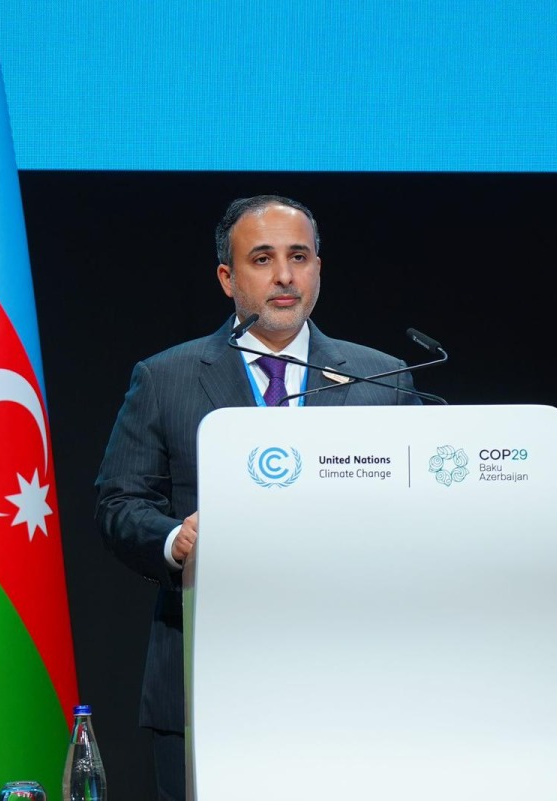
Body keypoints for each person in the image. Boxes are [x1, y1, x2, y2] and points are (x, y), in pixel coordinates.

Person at [94, 194, 420, 800]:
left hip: (348, 684)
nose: (285, 276)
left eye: (299, 257)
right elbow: (117, 503)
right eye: (263, 259)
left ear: (319, 267)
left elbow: (419, 515)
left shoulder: (384, 380)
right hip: (202, 678)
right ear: (227, 277)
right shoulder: (166, 377)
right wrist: (173, 539)